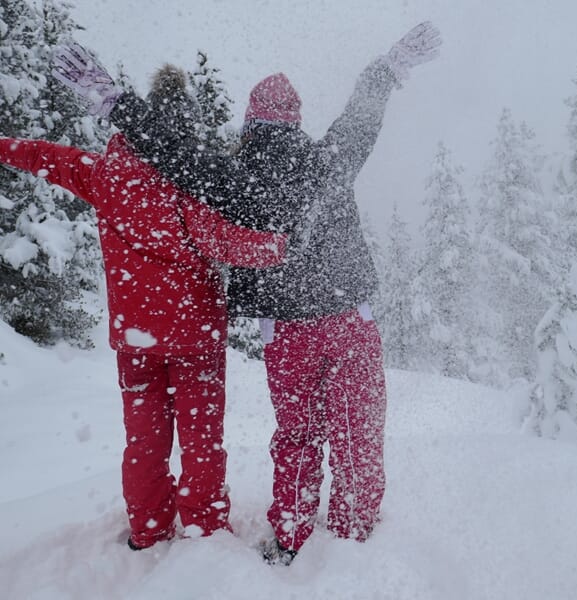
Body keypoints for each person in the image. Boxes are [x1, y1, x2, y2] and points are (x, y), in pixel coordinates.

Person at [54, 21, 442, 565]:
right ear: (295, 121)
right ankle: (354, 538)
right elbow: (362, 115)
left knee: (297, 435)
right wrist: (390, 66)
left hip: (284, 332)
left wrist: (115, 102)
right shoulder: (329, 160)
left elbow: (173, 154)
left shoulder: (232, 177)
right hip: (350, 318)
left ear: (252, 122)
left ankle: (291, 536)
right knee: (357, 431)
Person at [0, 65, 287, 551]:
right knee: (201, 442)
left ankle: (149, 529)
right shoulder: (188, 186)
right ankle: (202, 526)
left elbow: (48, 157)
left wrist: (5, 147)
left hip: (135, 338)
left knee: (144, 441)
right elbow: (231, 242)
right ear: (185, 125)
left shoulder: (106, 175)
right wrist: (281, 247)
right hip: (194, 339)